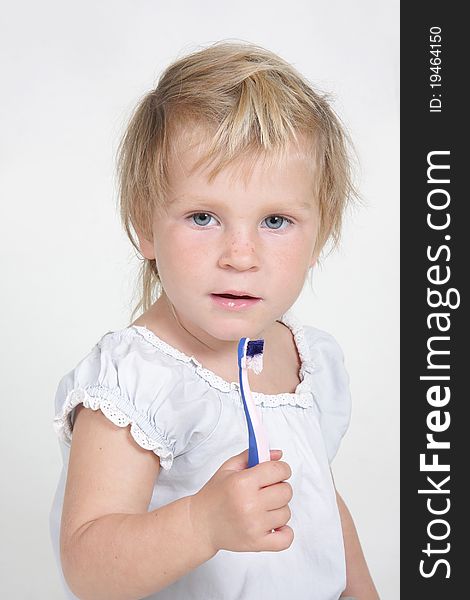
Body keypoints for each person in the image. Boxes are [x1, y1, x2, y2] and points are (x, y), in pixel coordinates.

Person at [50, 41, 379, 600]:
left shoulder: (307, 358)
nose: (241, 254)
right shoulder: (137, 381)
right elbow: (89, 564)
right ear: (146, 227)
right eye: (203, 217)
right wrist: (203, 523)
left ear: (320, 235)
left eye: (276, 220)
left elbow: (317, 500)